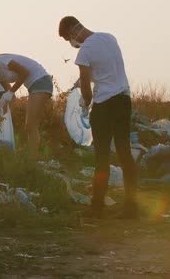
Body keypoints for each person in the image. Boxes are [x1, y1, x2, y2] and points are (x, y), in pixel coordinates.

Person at [59, 16, 138, 219]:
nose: (71, 44)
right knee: (124, 153)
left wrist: (85, 104)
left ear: (73, 32)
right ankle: (131, 207)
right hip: (124, 100)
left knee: (101, 157)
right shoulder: (109, 38)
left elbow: (87, 84)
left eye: (68, 38)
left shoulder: (85, 51)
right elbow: (103, 68)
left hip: (104, 105)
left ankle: (97, 207)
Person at [0, 50, 53, 162]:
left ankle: (32, 160)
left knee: (31, 125)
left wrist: (11, 91)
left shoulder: (0, 60)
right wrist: (1, 112)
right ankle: (32, 157)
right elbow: (10, 98)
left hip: (40, 80)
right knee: (29, 126)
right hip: (33, 86)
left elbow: (25, 72)